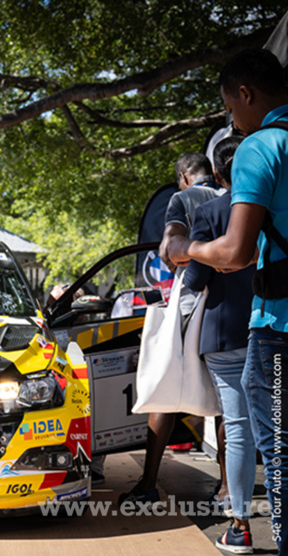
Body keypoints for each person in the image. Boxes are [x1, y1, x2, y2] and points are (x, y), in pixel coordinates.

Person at [169, 48, 288, 553]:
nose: (231, 121)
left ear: (246, 93)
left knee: (278, 451)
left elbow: (236, 252)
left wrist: (185, 249)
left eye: (230, 109)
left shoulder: (262, 146)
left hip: (279, 325)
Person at [119, 153, 223, 506]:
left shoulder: (183, 199)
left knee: (164, 387)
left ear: (183, 176)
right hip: (230, 306)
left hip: (191, 301)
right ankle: (227, 489)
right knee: (228, 401)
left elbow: (169, 249)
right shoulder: (233, 196)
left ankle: (148, 483)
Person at [183, 136, 257, 553]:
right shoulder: (272, 209)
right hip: (274, 331)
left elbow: (195, 279)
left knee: (240, 429)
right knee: (276, 427)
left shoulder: (210, 212)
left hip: (226, 336)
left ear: (217, 174)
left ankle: (240, 527)